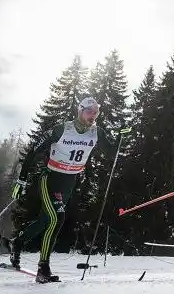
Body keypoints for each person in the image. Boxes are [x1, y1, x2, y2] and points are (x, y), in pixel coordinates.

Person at [8, 97, 118, 283]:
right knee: (56, 219)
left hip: (70, 181)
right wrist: (22, 179)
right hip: (50, 178)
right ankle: (43, 267)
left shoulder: (96, 132)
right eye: (89, 111)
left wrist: (122, 137)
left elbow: (112, 152)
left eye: (96, 112)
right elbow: (34, 150)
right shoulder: (62, 129)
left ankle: (17, 242)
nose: (93, 115)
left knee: (45, 220)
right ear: (80, 110)